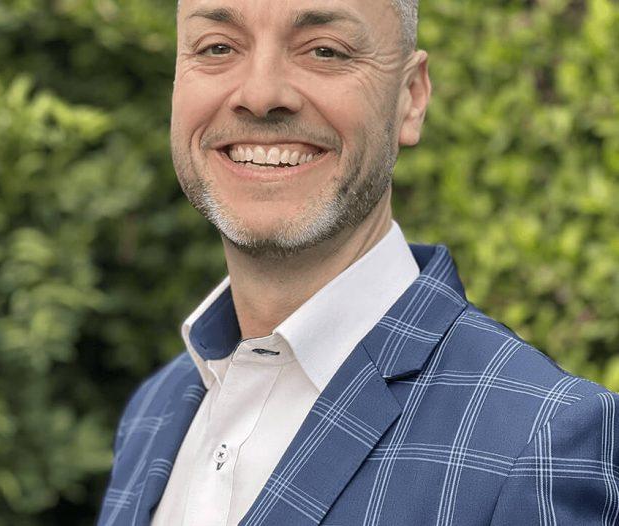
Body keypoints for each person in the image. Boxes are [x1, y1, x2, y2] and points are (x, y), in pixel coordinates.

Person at [97, 0, 619, 524]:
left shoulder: (538, 438)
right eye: (217, 48)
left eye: (325, 51)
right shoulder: (155, 410)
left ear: (410, 98)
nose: (259, 95)